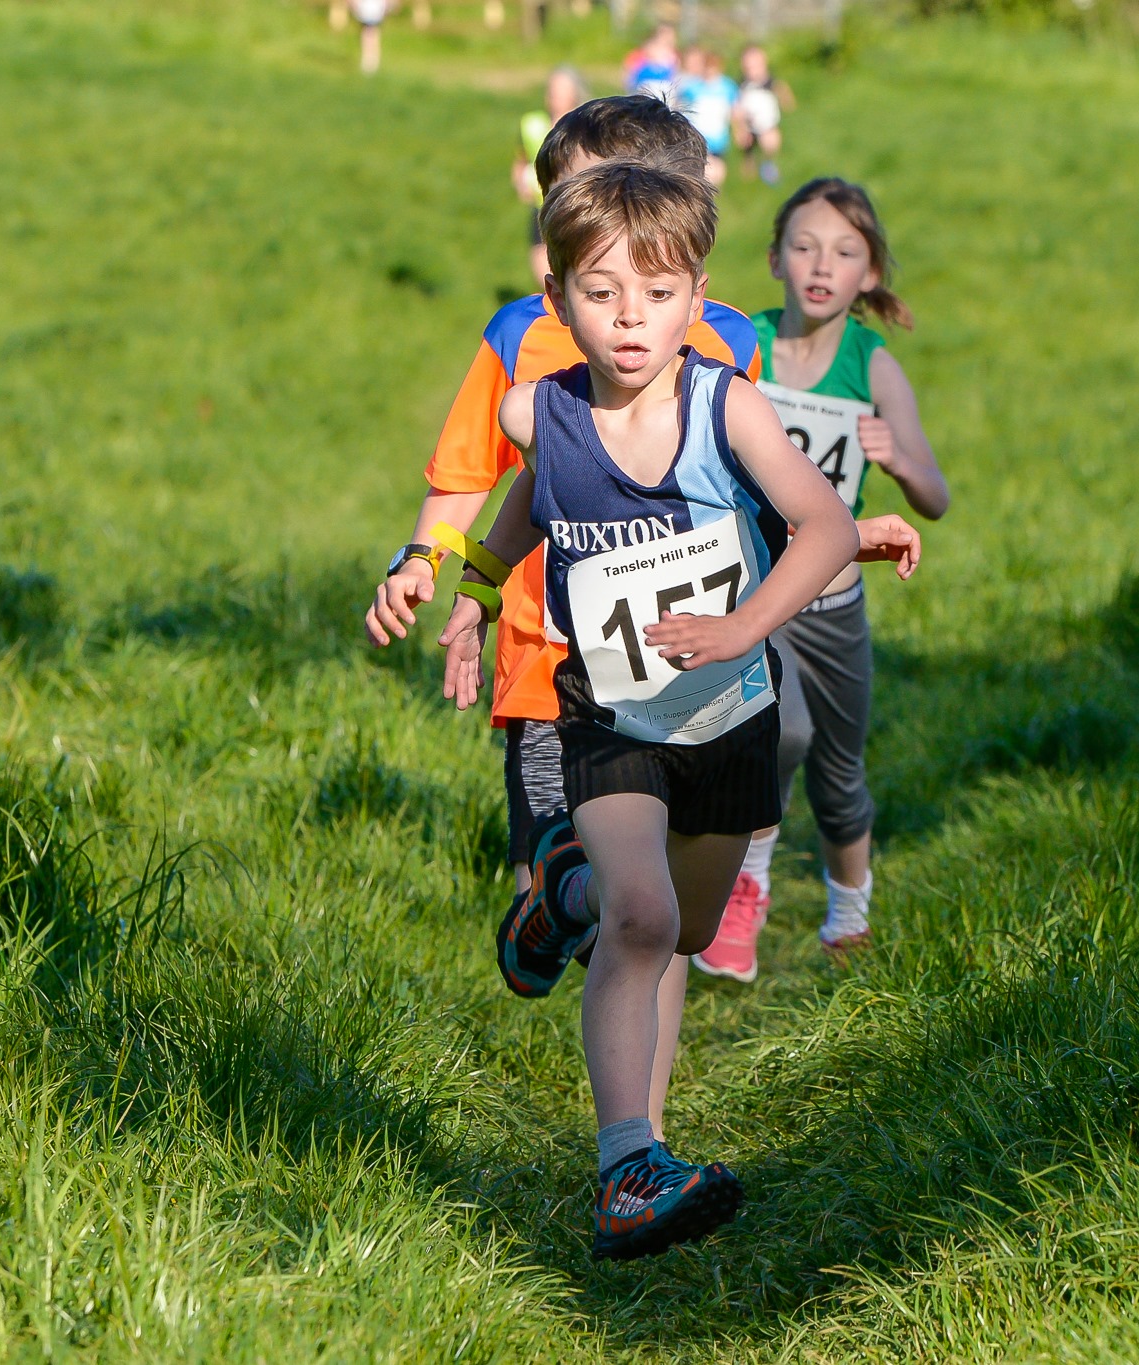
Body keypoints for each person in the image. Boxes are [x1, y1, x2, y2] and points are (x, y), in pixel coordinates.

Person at [435, 160, 863, 1258]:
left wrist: (741, 628)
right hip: (610, 715)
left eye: (659, 294)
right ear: (556, 296)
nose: (631, 320)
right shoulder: (539, 409)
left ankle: (554, 903)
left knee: (676, 922)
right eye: (601, 294)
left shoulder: (731, 404)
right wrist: (478, 593)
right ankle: (628, 1162)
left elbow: (820, 527)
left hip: (727, 717)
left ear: (698, 294)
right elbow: (536, 494)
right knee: (643, 918)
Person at [695, 177, 947, 985]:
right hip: (757, 584)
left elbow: (934, 496)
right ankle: (748, 882)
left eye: (845, 252)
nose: (820, 264)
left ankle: (849, 913)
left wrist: (896, 459)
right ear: (772, 257)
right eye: (803, 245)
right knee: (781, 731)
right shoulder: (743, 343)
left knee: (839, 772)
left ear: (869, 273)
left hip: (837, 598)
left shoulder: (874, 369)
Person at [515, 68, 593, 287]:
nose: (553, 95)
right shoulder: (532, 124)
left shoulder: (583, 125)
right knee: (539, 254)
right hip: (541, 201)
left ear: (574, 93)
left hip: (573, 202)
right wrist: (519, 182)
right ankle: (555, 299)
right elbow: (521, 158)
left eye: (560, 90)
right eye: (551, 89)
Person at [731, 44, 795, 186]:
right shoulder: (741, 86)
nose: (753, 71)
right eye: (749, 68)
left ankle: (768, 163)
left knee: (771, 141)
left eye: (756, 66)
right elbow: (736, 109)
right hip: (748, 124)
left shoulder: (770, 82)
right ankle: (749, 162)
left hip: (767, 124)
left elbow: (783, 91)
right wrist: (739, 128)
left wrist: (786, 100)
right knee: (746, 145)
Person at [676, 48, 737, 188]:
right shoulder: (693, 87)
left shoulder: (727, 87)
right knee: (702, 173)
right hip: (698, 136)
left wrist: (739, 129)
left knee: (717, 173)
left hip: (718, 138)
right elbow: (680, 105)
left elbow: (734, 110)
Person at [623, 24, 680, 102]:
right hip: (645, 87)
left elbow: (675, 75)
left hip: (665, 90)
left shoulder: (674, 55)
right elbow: (630, 69)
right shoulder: (647, 50)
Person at [350, 0, 387, 74]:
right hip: (366, 8)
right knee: (368, 32)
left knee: (371, 32)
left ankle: (372, 60)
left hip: (374, 7)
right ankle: (368, 60)